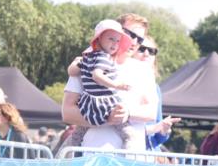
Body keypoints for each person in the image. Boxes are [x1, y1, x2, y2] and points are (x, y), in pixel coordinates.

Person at [61, 13, 158, 151]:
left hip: (131, 162)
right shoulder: (86, 61)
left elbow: (151, 112)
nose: (135, 42)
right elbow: (67, 112)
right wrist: (107, 118)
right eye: (130, 34)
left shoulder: (144, 70)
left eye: (140, 39)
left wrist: (127, 113)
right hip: (93, 159)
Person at [136, 35, 180, 151]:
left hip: (149, 156)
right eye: (141, 49)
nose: (146, 54)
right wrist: (154, 128)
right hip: (126, 152)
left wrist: (164, 129)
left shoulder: (155, 89)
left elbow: (158, 139)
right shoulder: (120, 82)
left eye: (151, 51)